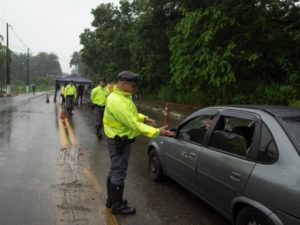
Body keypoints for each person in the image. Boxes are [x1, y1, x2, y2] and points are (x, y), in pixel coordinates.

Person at [103, 71, 175, 215]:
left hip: (119, 139)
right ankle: (117, 206)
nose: (135, 88)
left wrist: (144, 118)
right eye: (133, 85)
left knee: (115, 170)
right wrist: (157, 131)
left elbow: (131, 115)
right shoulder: (117, 101)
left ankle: (112, 200)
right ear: (123, 84)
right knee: (119, 172)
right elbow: (133, 123)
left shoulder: (122, 96)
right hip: (119, 141)